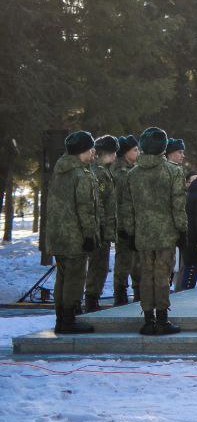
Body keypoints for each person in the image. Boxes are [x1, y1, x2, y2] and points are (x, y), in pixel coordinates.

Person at [118, 127, 186, 335]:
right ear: (163, 148)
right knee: (163, 276)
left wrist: (130, 231)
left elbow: (127, 207)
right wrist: (182, 230)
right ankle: (162, 320)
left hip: (143, 234)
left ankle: (148, 320)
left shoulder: (132, 174)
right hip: (166, 233)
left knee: (146, 276)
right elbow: (178, 205)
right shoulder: (173, 171)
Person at [45, 131, 100, 335]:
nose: (93, 153)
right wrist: (89, 235)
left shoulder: (60, 171)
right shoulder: (80, 174)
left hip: (58, 236)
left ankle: (61, 319)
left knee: (62, 278)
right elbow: (85, 208)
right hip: (75, 236)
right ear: (81, 151)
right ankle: (69, 320)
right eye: (90, 149)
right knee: (75, 279)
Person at [83, 135, 118, 312]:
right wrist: (104, 228)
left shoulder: (101, 170)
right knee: (98, 266)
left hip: (100, 228)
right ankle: (91, 299)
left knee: (99, 266)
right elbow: (100, 204)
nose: (115, 156)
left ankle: (92, 298)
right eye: (113, 153)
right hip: (99, 229)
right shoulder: (100, 173)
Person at [111, 135, 140, 305]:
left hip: (132, 224)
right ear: (125, 152)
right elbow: (120, 203)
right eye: (135, 150)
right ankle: (120, 296)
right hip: (124, 226)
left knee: (136, 261)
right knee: (124, 262)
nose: (138, 152)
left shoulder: (131, 169)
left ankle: (137, 292)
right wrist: (123, 227)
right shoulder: (121, 172)